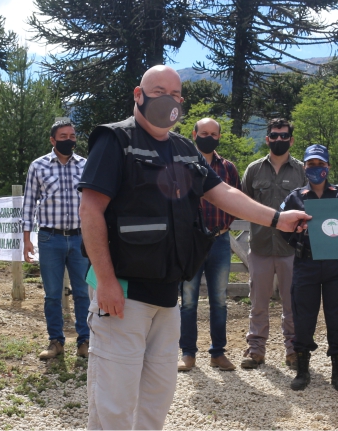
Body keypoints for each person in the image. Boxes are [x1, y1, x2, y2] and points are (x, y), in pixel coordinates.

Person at [77, 65, 310, 430]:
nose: (168, 99)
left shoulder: (184, 148)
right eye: (159, 91)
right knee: (114, 403)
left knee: (156, 398)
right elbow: (90, 210)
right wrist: (104, 281)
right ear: (139, 95)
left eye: (176, 94)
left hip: (168, 296)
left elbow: (226, 194)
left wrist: (277, 218)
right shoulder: (115, 141)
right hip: (123, 294)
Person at [278, 144, 338, 393]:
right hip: (306, 263)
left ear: (327, 166)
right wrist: (297, 240)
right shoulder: (295, 197)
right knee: (303, 317)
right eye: (311, 164)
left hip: (336, 264)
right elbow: (281, 226)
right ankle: (302, 371)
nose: (316, 169)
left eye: (320, 164)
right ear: (305, 167)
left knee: (337, 316)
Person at [239, 118, 306, 370]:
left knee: (292, 302)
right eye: (274, 136)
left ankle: (293, 350)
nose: (279, 140)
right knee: (258, 302)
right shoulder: (254, 170)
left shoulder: (301, 171)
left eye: (284, 136)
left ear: (291, 139)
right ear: (267, 139)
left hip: (292, 249)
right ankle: (255, 350)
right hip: (260, 247)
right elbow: (244, 203)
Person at [177, 118, 242, 372]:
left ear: (219, 137)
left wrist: (225, 224)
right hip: (191, 241)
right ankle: (188, 353)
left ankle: (218, 352)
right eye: (204, 132)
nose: (209, 137)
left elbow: (236, 200)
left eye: (213, 133)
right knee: (189, 299)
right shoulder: (182, 165)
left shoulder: (229, 168)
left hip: (220, 240)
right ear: (194, 134)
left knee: (219, 299)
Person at [21, 120, 90, 359]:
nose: (69, 139)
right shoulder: (38, 166)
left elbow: (94, 202)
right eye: (63, 136)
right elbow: (29, 203)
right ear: (52, 140)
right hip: (50, 238)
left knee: (83, 292)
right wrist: (26, 239)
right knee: (52, 294)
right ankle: (56, 342)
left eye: (72, 135)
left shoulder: (85, 165)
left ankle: (85, 341)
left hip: (81, 239)